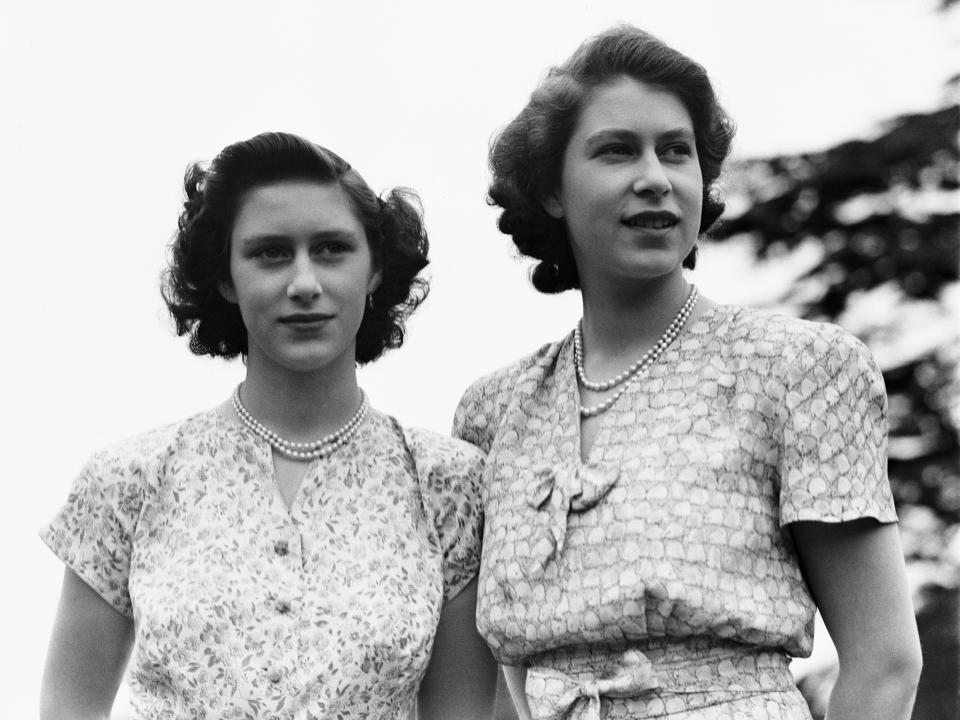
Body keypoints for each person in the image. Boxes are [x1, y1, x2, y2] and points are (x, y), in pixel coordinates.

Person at [453, 26, 922, 720]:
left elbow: (885, 664)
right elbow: (500, 683)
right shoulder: (495, 412)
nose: (656, 177)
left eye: (678, 151)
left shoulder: (798, 370)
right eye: (617, 151)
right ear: (551, 190)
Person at [40, 131, 496, 720]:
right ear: (226, 277)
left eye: (332, 249)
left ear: (376, 270)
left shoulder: (450, 487)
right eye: (270, 253)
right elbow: (66, 708)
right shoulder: (128, 480)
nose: (304, 283)